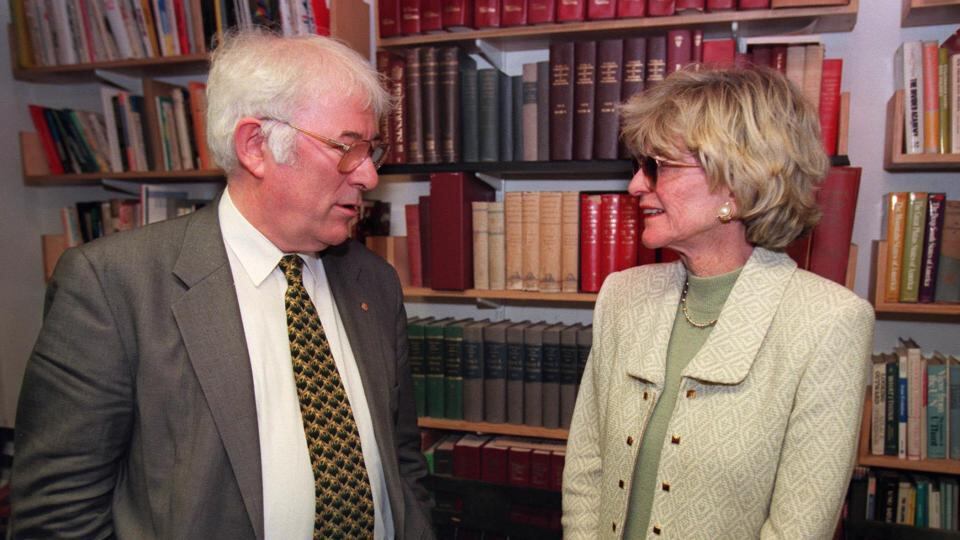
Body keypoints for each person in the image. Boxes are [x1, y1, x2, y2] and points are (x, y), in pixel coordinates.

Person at [11, 30, 433, 539]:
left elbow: (402, 464)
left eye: (372, 151)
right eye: (348, 148)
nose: (367, 175)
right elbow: (57, 516)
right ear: (256, 146)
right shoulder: (113, 286)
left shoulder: (375, 282)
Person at [562, 66, 874, 539]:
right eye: (638, 167)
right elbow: (587, 470)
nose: (635, 187)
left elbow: (799, 528)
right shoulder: (623, 296)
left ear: (735, 181)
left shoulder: (829, 322)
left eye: (657, 167)